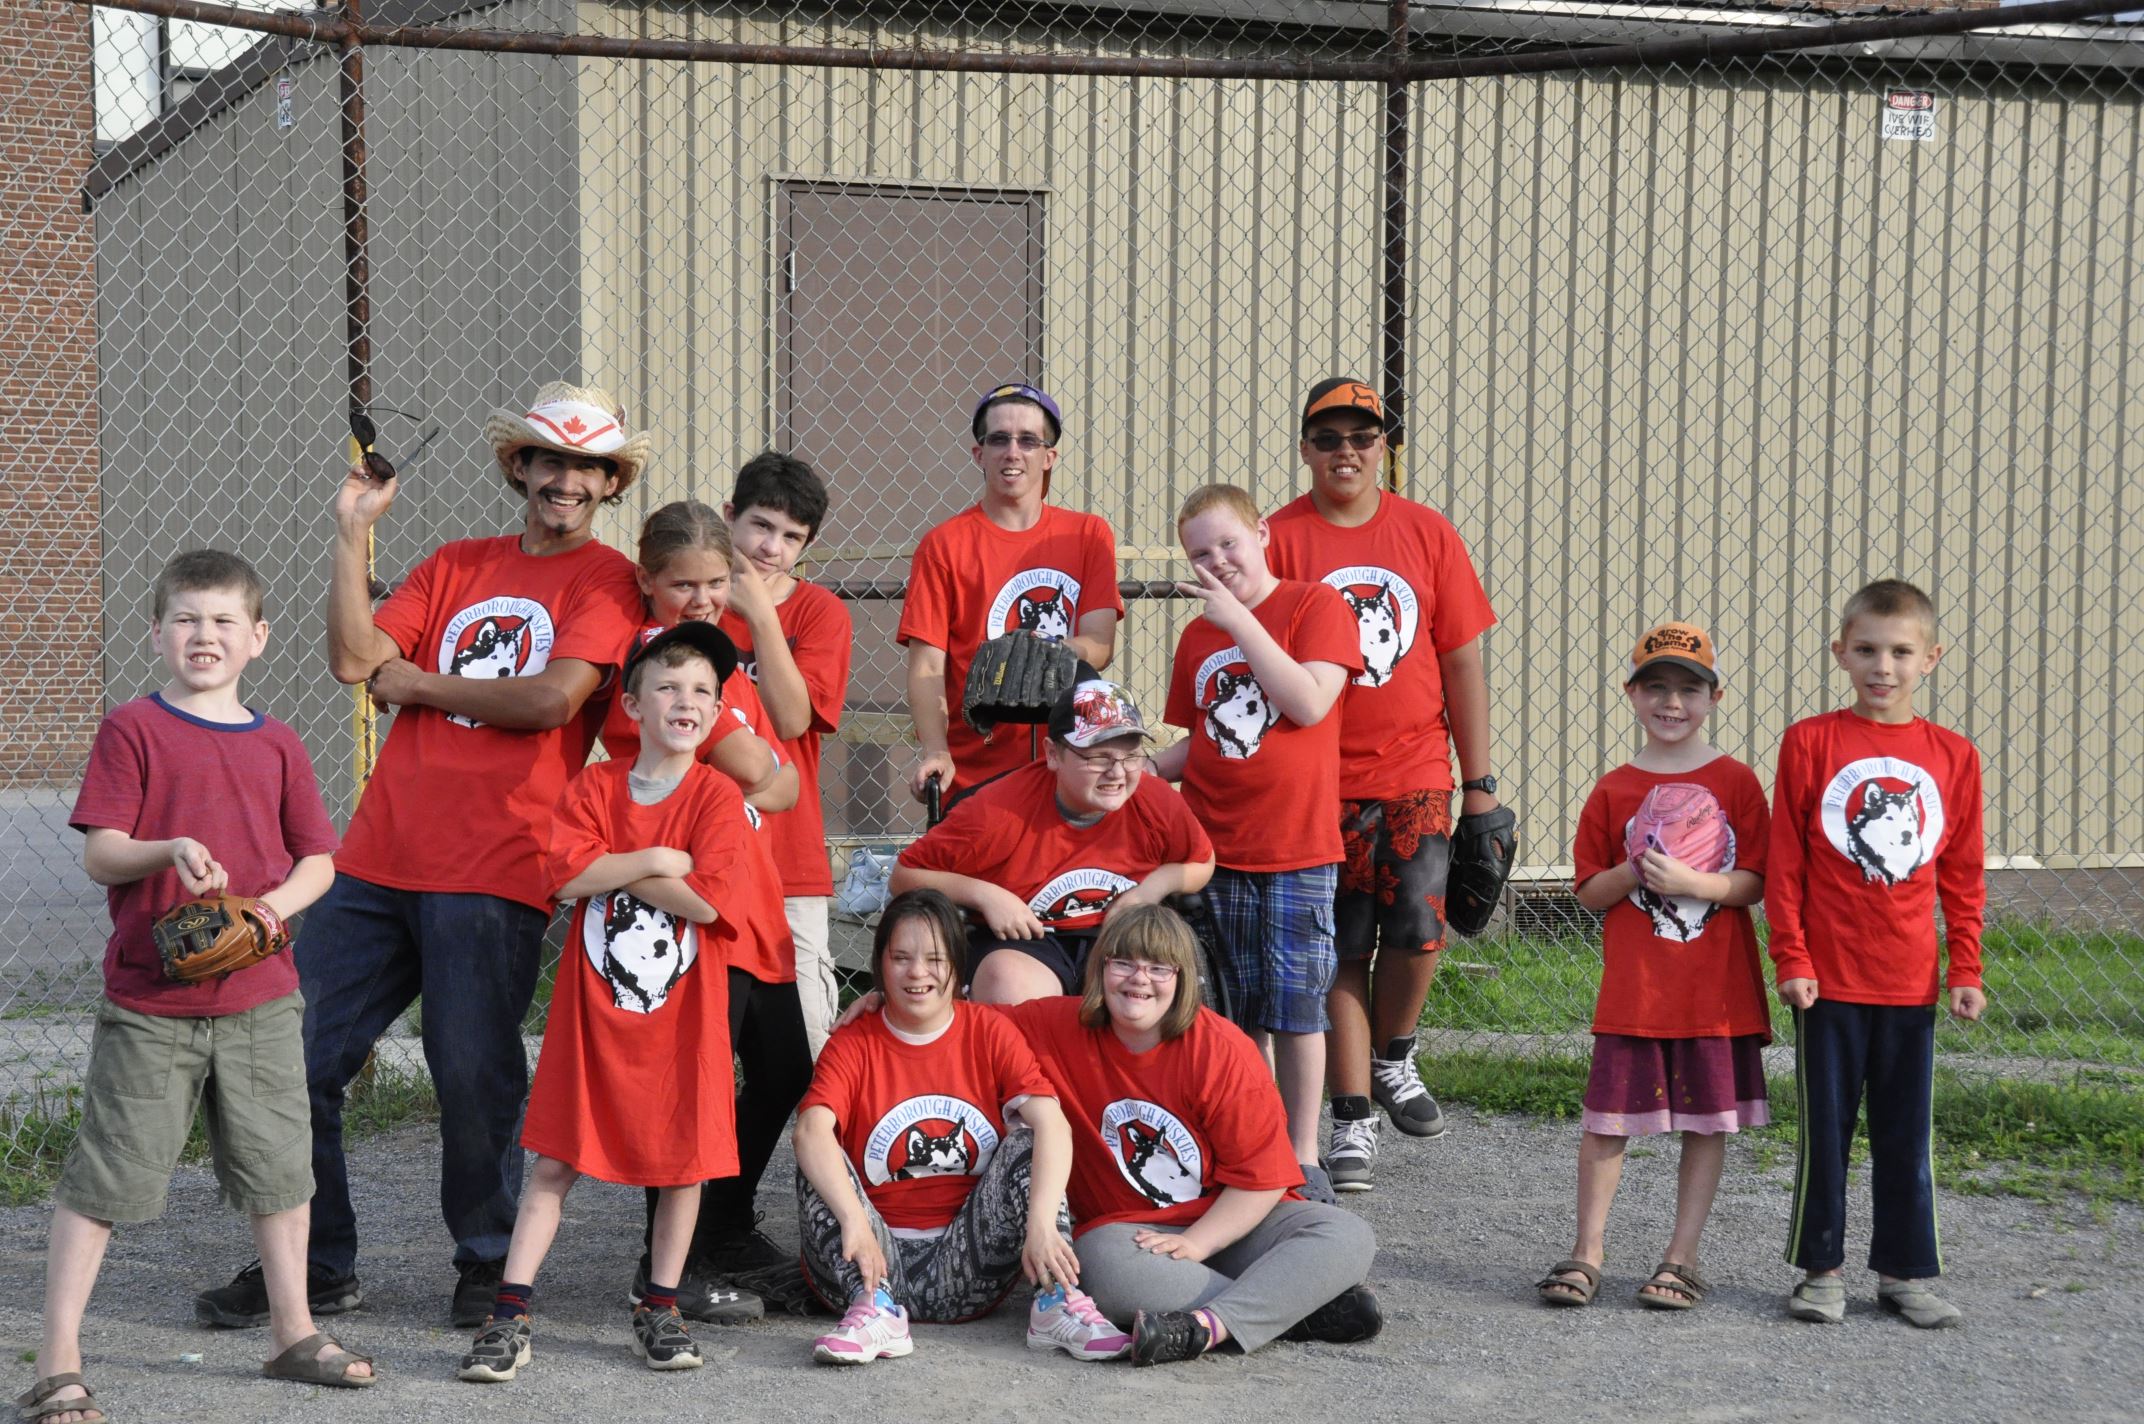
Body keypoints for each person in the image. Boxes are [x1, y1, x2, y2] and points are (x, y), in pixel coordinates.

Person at [197, 382, 646, 1331]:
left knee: (471, 1072)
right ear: (519, 466)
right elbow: (354, 659)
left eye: (586, 468)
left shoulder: (606, 581)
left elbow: (551, 702)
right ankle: (317, 1265)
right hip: (377, 861)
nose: (565, 481)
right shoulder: (453, 563)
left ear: (609, 484)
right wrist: (353, 529)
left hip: (498, 865)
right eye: (549, 461)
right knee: (294, 1058)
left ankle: (487, 1262)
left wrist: (420, 683)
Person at [31, 552, 373, 1424]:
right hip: (152, 1004)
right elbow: (102, 850)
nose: (204, 636)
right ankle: (58, 1356)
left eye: (224, 621)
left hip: (260, 999)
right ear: (157, 633)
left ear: (257, 638)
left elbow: (319, 862)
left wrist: (267, 916)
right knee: (108, 1174)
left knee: (280, 1172)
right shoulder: (133, 730)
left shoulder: (278, 740)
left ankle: (292, 1333)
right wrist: (169, 847)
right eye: (186, 619)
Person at [458, 623, 754, 1382]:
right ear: (631, 703)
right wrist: (657, 858)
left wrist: (609, 868)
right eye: (668, 686)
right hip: (593, 1020)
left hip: (681, 1024)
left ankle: (659, 1305)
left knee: (685, 1165)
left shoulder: (718, 795)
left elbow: (708, 902)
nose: (686, 701)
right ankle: (510, 1314)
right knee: (555, 1162)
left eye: (703, 692)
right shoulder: (593, 786)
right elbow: (562, 876)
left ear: (717, 712)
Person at [1265, 377, 1500, 1190]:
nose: (1346, 452)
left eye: (1362, 437)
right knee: (1338, 945)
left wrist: (1482, 784)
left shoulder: (1426, 533)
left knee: (1417, 928)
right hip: (1314, 782)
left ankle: (1397, 1052)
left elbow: (1462, 660)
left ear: (1383, 449)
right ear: (1305, 448)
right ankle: (1352, 1117)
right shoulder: (1280, 540)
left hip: (1413, 771)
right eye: (1328, 437)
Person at [997, 904, 1381, 1366]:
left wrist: (1199, 1243)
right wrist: (884, 1005)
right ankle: (1298, 1308)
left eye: (1159, 968)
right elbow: (959, 1027)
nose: (1139, 979)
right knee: (1099, 1267)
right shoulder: (1050, 1024)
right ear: (1100, 970)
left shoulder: (1222, 1049)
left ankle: (1204, 1327)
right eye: (1124, 963)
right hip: (1131, 1237)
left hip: (1232, 1224)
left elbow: (1261, 1181)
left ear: (1182, 979)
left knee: (1345, 1232)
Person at [607, 500, 815, 1319]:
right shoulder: (657, 658)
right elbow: (761, 768)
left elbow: (787, 769)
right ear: (647, 580)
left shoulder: (720, 658)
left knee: (785, 1067)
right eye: (682, 583)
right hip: (694, 901)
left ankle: (723, 1221)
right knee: (692, 1079)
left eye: (715, 581)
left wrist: (763, 771)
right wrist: (760, 771)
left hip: (751, 885)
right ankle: (667, 1263)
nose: (699, 598)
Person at [1768, 580, 1986, 1329]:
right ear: (1841, 654)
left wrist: (1965, 968)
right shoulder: (1810, 742)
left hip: (1908, 983)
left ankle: (1905, 1272)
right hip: (1826, 983)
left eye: (1899, 652)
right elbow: (1787, 861)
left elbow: (1962, 871)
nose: (1882, 666)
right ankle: (1820, 1270)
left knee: (1905, 1136)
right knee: (1825, 1133)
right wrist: (1791, 958)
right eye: (1866, 650)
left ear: (1931, 658)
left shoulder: (1953, 756)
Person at [1535, 623, 1770, 1310]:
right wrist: (1635, 867)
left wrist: (1698, 883)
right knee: (1607, 1122)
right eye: (1657, 687)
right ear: (1632, 694)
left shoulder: (1735, 781)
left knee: (1706, 1124)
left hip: (1713, 993)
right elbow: (1586, 892)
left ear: (1715, 697)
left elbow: (1756, 879)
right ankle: (1587, 1252)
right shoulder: (1616, 789)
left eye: (1689, 689)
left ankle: (1682, 1256)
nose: (1673, 703)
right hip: (1636, 992)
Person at [793, 891, 1125, 1365]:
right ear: (880, 963)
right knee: (815, 1140)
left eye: (935, 959)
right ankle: (874, 1312)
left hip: (968, 1266)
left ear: (958, 964)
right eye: (901, 958)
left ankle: (1056, 1301)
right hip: (867, 1258)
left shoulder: (988, 1030)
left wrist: (1041, 1225)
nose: (917, 973)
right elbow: (809, 1133)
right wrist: (855, 1224)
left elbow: (1053, 1123)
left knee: (1034, 1134)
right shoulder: (855, 1039)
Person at [1153, 484, 1361, 1199]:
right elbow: (1203, 735)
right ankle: (1253, 1143)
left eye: (1228, 545)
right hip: (1215, 848)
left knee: (1296, 1006)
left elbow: (1307, 701)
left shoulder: (1314, 606)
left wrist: (1240, 620)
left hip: (1294, 848)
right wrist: (1145, 770)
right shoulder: (1197, 637)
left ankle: (1302, 1156)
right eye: (1200, 554)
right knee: (1233, 1013)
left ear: (1263, 533)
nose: (1217, 562)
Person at [890, 677, 1213, 1005]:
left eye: (1130, 756)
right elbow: (904, 875)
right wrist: (985, 896)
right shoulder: (998, 810)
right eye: (1098, 757)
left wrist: (1149, 890)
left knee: (1161, 983)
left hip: (1122, 940)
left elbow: (1203, 861)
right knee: (1009, 983)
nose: (1117, 773)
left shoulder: (1154, 799)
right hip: (1027, 941)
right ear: (1053, 754)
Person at [900, 382, 1122, 800]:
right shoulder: (944, 544)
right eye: (998, 439)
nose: (1012, 452)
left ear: (1049, 456)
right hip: (976, 771)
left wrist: (1046, 651)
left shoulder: (1088, 535)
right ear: (979, 454)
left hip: (1069, 766)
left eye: (1028, 440)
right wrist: (936, 750)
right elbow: (928, 666)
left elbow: (1100, 643)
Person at [715, 452, 853, 1055]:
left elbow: (794, 719)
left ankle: (808, 1154)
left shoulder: (819, 612)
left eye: (792, 536)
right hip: (705, 845)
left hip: (787, 856)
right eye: (761, 526)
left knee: (805, 1050)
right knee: (705, 1042)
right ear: (729, 519)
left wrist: (760, 616)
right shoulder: (693, 601)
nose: (772, 547)